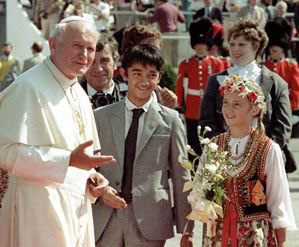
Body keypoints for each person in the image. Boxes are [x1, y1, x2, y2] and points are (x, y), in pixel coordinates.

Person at [0, 16, 116, 246]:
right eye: (77, 46)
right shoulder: (27, 86)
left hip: (76, 209)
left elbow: (79, 160)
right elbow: (4, 151)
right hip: (36, 210)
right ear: (53, 45)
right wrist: (67, 160)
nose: (84, 55)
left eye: (90, 49)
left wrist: (92, 177)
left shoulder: (80, 93)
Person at [92, 44, 194, 247]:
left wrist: (187, 229)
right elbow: (88, 168)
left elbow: (182, 174)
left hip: (151, 219)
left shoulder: (171, 120)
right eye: (137, 73)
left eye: (151, 75)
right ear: (124, 74)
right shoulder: (100, 116)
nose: (144, 81)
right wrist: (101, 193)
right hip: (105, 216)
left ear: (159, 77)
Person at [201, 75, 296, 246]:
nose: (228, 109)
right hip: (219, 234)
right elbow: (200, 191)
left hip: (255, 235)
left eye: (236, 104)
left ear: (254, 109)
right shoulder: (213, 146)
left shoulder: (268, 148)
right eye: (225, 103)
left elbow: (278, 200)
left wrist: (281, 242)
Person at [199, 18, 296, 173]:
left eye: (242, 44)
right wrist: (226, 152)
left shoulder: (276, 82)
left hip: (265, 162)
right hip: (224, 162)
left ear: (256, 47)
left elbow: (282, 127)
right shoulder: (215, 81)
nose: (235, 49)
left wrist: (262, 153)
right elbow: (207, 122)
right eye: (232, 44)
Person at [176, 17, 230, 155]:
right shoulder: (186, 64)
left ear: (208, 46)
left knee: (212, 142)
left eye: (203, 45)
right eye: (197, 45)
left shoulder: (217, 64)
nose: (200, 48)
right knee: (193, 143)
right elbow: (180, 86)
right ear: (194, 46)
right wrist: (180, 104)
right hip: (192, 109)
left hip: (211, 108)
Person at [263, 17, 299, 138]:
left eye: (276, 50)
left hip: (284, 109)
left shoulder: (291, 66)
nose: (274, 52)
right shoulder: (263, 66)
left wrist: (292, 108)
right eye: (272, 49)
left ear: (283, 48)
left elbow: (295, 89)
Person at [80, 33, 128, 108]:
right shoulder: (71, 97)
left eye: (104, 61)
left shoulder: (130, 95)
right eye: (92, 62)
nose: (98, 68)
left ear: (115, 62)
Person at [147, 0, 186, 67]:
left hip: (166, 34)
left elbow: (151, 20)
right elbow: (183, 20)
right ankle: (175, 74)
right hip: (176, 34)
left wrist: (148, 14)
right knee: (175, 57)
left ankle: (169, 76)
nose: (155, 2)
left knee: (167, 57)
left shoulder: (160, 8)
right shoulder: (174, 7)